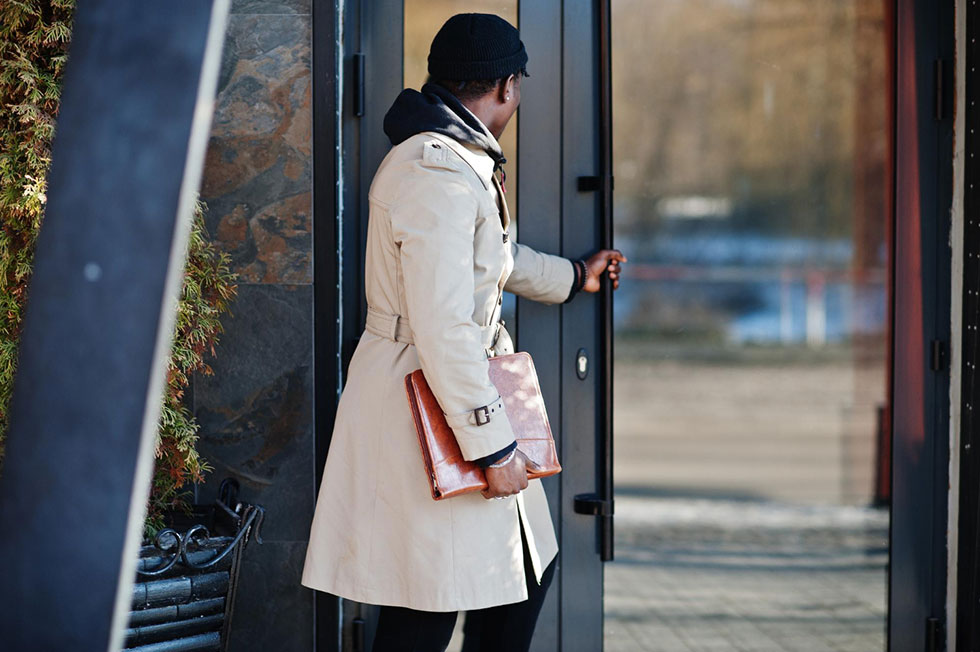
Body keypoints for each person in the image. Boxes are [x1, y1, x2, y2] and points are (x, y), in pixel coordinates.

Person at [301, 13, 626, 652]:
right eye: (520, 86)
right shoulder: (437, 171)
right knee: (433, 599)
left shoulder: (453, 157)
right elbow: (444, 324)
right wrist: (494, 447)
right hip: (427, 401)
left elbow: (492, 258)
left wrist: (571, 277)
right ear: (505, 85)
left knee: (501, 577)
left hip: (437, 393)